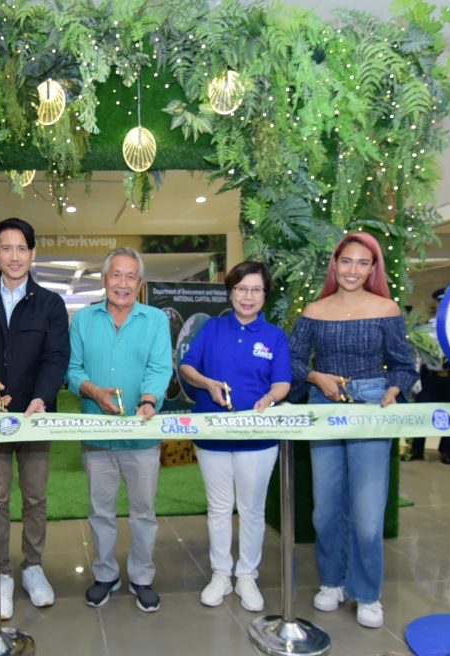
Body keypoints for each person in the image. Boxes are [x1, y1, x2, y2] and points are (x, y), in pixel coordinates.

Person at [289, 232, 417, 629]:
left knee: (367, 512)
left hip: (372, 407)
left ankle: (367, 592)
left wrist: (394, 388)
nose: (353, 270)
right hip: (324, 406)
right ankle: (332, 581)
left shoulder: (386, 309)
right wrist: (316, 377)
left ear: (373, 268)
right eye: (346, 261)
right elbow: (292, 360)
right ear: (335, 264)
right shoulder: (314, 310)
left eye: (363, 263)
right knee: (325, 509)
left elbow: (403, 364)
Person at [0, 218, 70, 620]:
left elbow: (57, 357)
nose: (14, 256)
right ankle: (2, 571)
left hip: (35, 416)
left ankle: (33, 567)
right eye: (6, 248)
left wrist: (41, 396)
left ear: (33, 253)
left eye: (22, 248)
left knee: (35, 496)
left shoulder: (50, 304)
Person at [178, 261, 291, 612]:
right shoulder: (212, 328)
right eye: (241, 289)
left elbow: (282, 382)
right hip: (212, 433)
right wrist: (207, 383)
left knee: (252, 509)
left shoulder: (274, 336)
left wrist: (269, 398)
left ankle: (247, 575)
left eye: (256, 290)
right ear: (230, 292)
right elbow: (187, 366)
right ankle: (221, 574)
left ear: (265, 295)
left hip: (258, 437)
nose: (248, 296)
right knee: (219, 507)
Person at [66, 247, 172, 613]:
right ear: (104, 279)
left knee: (143, 512)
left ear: (140, 283)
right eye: (116, 275)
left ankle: (142, 576)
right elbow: (72, 370)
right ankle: (105, 574)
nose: (122, 283)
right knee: (101, 511)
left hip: (141, 434)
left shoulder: (155, 320)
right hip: (97, 434)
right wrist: (94, 392)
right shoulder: (83, 320)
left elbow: (160, 368)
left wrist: (148, 400)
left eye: (131, 276)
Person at [408, 287, 450, 464]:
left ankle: (447, 451)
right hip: (431, 377)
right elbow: (417, 355)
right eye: (441, 302)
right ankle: (417, 449)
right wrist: (415, 377)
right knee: (421, 414)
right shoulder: (426, 329)